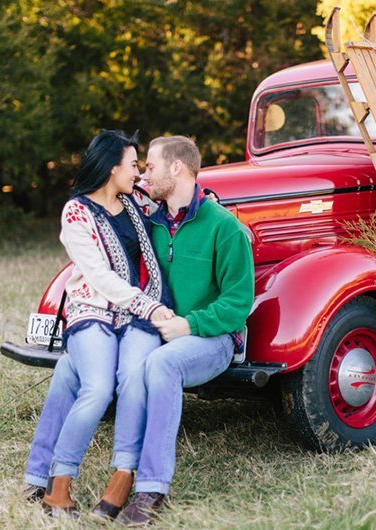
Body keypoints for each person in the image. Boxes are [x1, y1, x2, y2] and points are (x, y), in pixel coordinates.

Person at [22, 129, 173, 518]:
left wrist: (210, 204)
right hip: (93, 312)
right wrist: (149, 307)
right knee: (97, 387)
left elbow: (175, 206)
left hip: (137, 316)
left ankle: (121, 481)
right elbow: (100, 276)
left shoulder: (135, 200)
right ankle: (59, 487)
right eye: (133, 164)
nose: (138, 173)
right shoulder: (76, 212)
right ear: (111, 167)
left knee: (134, 378)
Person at [114, 135, 254, 526]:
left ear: (177, 168)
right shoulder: (151, 225)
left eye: (151, 166)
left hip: (214, 339)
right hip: (160, 332)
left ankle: (152, 490)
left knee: (162, 365)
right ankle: (119, 472)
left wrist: (188, 324)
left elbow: (238, 303)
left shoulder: (224, 227)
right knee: (125, 362)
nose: (144, 173)